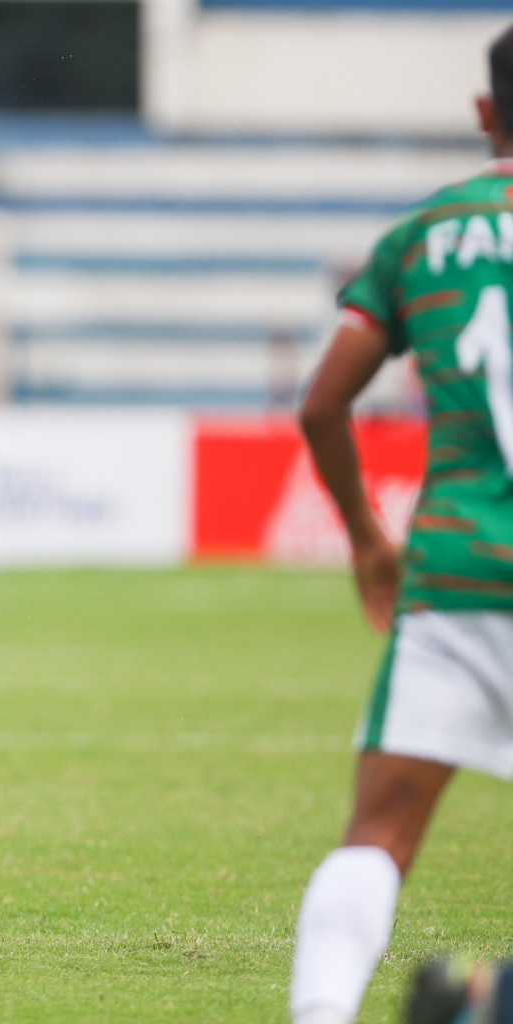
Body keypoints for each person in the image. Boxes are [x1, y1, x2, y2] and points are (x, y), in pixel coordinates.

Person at [289, 24, 513, 1024]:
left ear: (482, 113)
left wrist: (372, 545)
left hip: (458, 567)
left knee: (377, 832)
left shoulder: (424, 235)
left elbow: (323, 404)